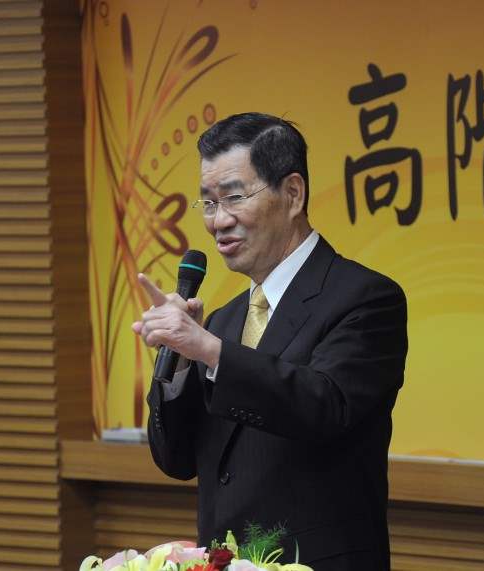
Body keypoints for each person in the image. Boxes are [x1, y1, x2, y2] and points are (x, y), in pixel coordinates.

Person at [132, 112, 407, 570]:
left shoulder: (365, 298)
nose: (218, 221)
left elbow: (325, 406)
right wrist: (179, 362)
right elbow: (176, 460)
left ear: (293, 194)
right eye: (208, 203)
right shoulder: (224, 321)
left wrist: (208, 350)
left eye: (234, 197)